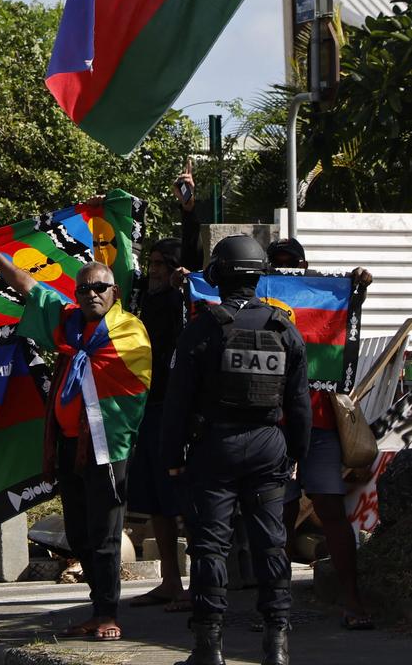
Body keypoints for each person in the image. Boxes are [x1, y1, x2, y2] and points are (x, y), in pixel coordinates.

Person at [0, 210, 151, 643]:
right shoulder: (69, 325)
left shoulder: (129, 331)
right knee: (79, 533)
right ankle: (95, 605)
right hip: (69, 445)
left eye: (100, 287)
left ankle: (108, 612)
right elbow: (30, 286)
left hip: (108, 449)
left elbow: (137, 386)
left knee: (106, 535)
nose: (92, 294)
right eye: (84, 287)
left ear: (115, 292)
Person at [161, 235, 312, 665]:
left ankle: (209, 648)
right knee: (271, 544)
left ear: (219, 275)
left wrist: (171, 458)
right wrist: (297, 455)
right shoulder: (284, 329)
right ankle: (277, 645)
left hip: (215, 449)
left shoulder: (203, 328)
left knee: (210, 547)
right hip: (269, 448)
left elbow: (178, 402)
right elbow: (299, 403)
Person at [267, 237, 376, 631]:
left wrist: (356, 289)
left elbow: (343, 319)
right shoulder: (257, 304)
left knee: (331, 510)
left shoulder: (320, 300)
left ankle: (352, 599)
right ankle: (275, 609)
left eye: (290, 264)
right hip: (273, 428)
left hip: (319, 427)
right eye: (276, 264)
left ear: (304, 264)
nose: (284, 270)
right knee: (277, 516)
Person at [125, 164, 203, 613]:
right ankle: (170, 582)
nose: (154, 269)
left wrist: (187, 210)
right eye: (151, 263)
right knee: (155, 499)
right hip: (144, 408)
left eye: (162, 264)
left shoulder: (183, 298)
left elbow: (194, 254)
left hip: (176, 409)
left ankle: (196, 584)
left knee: (183, 499)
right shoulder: (140, 298)